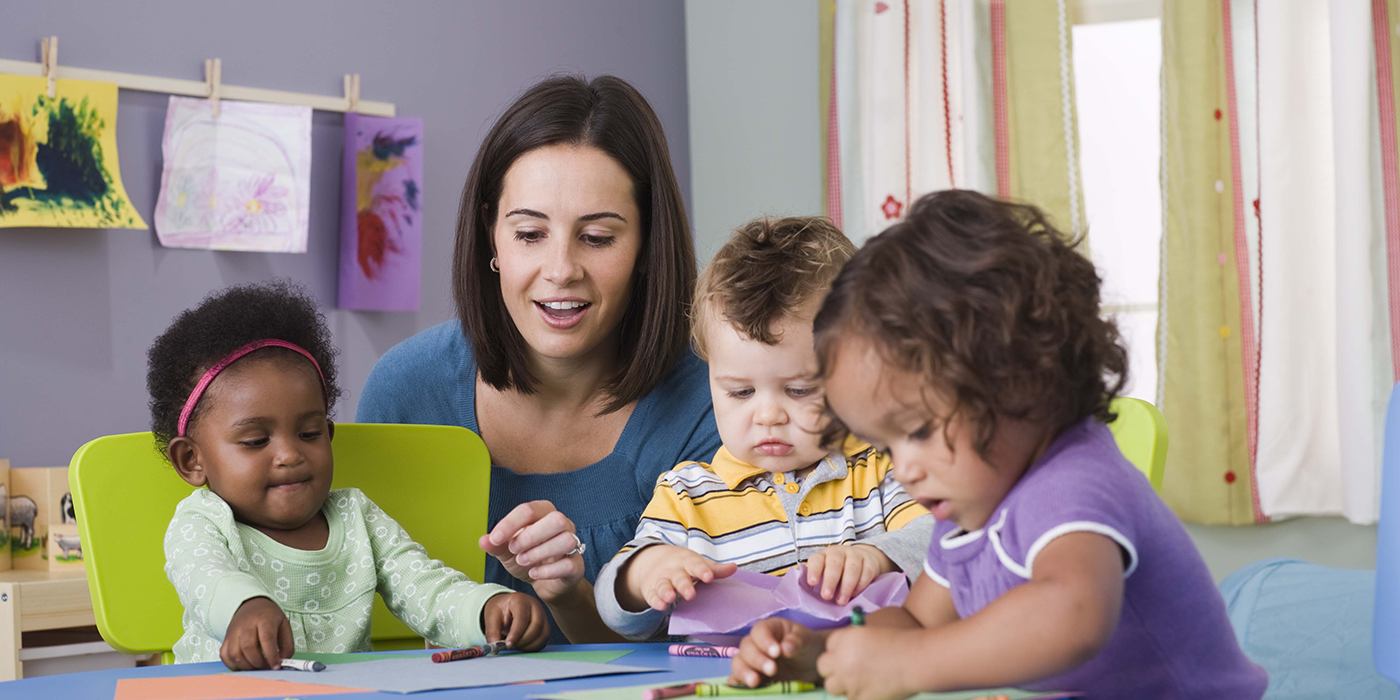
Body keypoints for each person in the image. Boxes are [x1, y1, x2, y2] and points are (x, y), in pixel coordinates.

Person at [729, 191, 1267, 699]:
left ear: (1017, 376)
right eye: (886, 447)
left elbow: (1074, 612)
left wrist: (910, 665)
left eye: (917, 431)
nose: (907, 470)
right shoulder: (967, 507)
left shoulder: (1075, 480)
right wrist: (825, 651)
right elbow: (918, 623)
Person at [357, 75, 720, 643]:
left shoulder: (715, 404)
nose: (559, 269)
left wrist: (567, 592)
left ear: (648, 245)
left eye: (596, 238)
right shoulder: (406, 390)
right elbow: (359, 622)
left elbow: (699, 656)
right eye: (529, 233)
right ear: (491, 238)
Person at [152, 281, 549, 669]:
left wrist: (486, 609)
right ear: (191, 460)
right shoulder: (201, 523)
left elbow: (424, 587)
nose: (289, 455)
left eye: (308, 434)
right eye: (256, 441)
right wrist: (245, 607)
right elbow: (207, 580)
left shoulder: (356, 516)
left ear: (328, 435)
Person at [594, 217, 933, 640]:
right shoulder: (687, 497)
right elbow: (612, 607)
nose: (767, 415)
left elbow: (945, 541)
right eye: (740, 392)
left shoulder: (879, 466)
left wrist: (878, 555)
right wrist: (646, 573)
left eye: (799, 389)